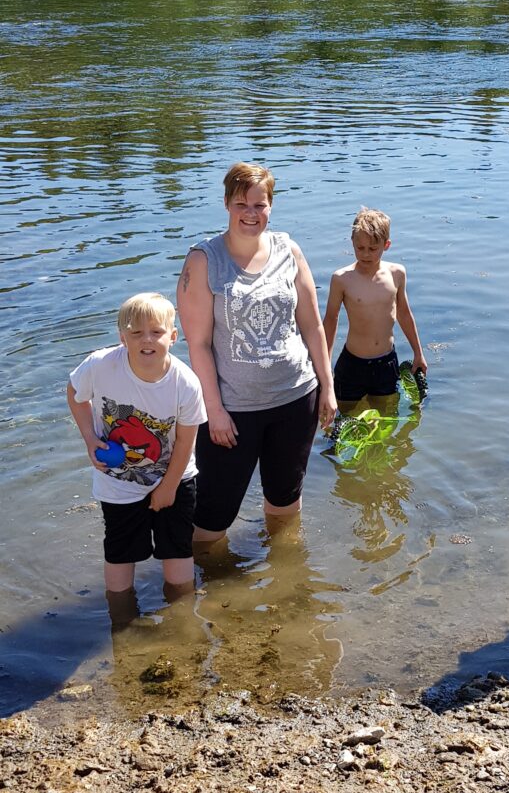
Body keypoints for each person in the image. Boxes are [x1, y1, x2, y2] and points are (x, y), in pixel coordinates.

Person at [177, 162, 336, 543]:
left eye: (260, 205)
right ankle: (205, 592)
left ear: (271, 206)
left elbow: (313, 326)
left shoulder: (288, 250)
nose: (251, 214)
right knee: (212, 519)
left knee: (285, 503)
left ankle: (286, 581)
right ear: (227, 203)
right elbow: (197, 344)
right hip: (233, 411)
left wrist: (327, 387)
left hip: (296, 398)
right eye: (241, 204)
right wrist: (213, 411)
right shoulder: (203, 260)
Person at [67, 293, 206, 594]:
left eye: (156, 332)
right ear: (122, 338)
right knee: (120, 551)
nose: (147, 340)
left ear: (172, 336)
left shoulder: (186, 383)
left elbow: (185, 441)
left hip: (176, 475)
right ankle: (121, 618)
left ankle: (182, 619)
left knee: (177, 549)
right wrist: (90, 439)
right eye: (136, 333)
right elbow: (75, 392)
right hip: (117, 481)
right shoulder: (100, 365)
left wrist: (168, 487)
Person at [323, 207, 427, 412]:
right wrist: (324, 366)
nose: (365, 254)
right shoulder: (342, 279)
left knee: (386, 418)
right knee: (343, 421)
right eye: (360, 247)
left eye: (373, 248)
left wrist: (418, 353)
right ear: (352, 242)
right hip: (352, 365)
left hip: (386, 364)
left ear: (386, 245)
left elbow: (404, 314)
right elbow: (330, 321)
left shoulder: (396, 274)